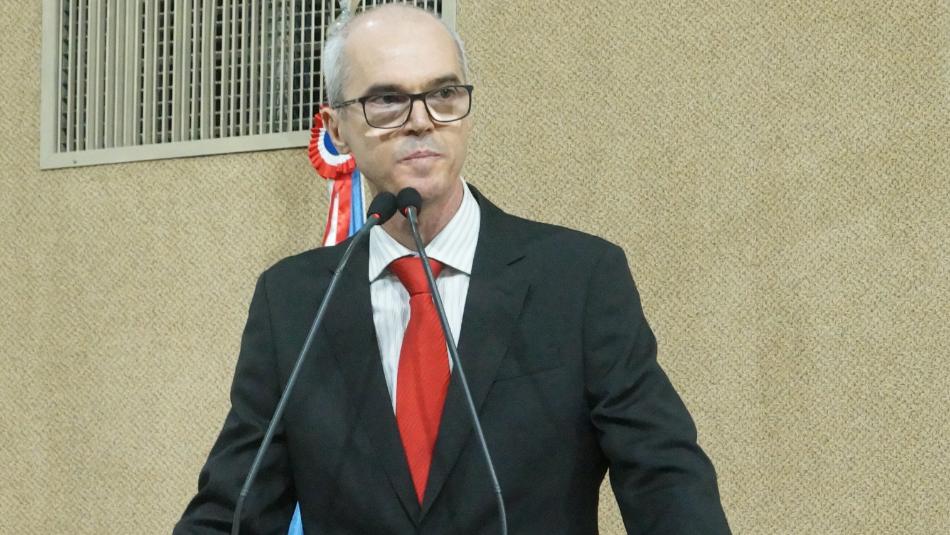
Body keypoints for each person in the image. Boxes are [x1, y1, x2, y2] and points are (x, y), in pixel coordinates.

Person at [174, 4, 730, 534]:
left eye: (443, 93)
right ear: (336, 128)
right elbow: (233, 509)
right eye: (387, 99)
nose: (421, 121)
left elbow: (666, 482)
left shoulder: (578, 279)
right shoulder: (293, 302)